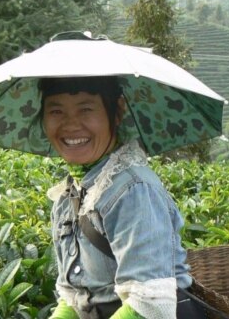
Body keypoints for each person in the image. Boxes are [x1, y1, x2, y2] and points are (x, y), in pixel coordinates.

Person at [39, 76, 202, 319]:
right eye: (56, 110)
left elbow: (149, 304)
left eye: (85, 109)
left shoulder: (134, 189)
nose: (70, 124)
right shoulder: (68, 196)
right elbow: (74, 298)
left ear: (117, 112)